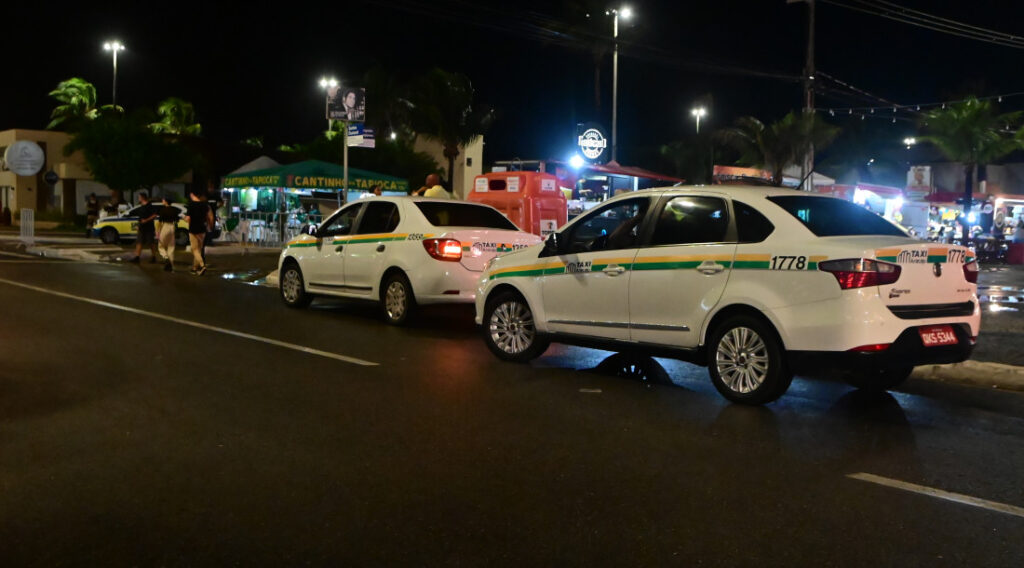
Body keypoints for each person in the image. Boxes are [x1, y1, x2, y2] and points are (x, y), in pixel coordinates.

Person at [184, 191, 214, 275]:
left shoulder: (191, 205)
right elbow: (209, 217)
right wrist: (210, 226)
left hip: (193, 228)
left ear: (193, 195)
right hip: (202, 229)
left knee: (194, 249)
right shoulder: (205, 205)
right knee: (199, 249)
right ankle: (195, 268)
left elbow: (188, 219)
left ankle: (202, 265)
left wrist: (185, 219)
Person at [130, 192, 159, 263]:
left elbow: (154, 215)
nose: (138, 199)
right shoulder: (141, 206)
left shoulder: (149, 206)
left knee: (151, 242)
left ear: (142, 198)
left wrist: (146, 220)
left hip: (149, 227)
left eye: (139, 197)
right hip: (141, 227)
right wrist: (139, 224)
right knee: (139, 242)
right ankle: (137, 257)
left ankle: (154, 257)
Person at [156, 197, 180, 272]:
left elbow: (160, 221)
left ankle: (166, 258)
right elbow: (177, 219)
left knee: (161, 245)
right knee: (171, 246)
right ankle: (171, 265)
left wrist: (157, 232)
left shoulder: (163, 210)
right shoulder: (174, 209)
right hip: (172, 227)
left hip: (165, 226)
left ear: (166, 202)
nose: (162, 201)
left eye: (163, 200)